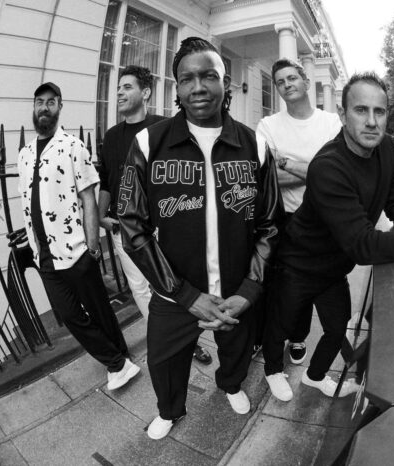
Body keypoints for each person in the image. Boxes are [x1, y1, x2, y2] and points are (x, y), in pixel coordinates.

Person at [261, 72, 394, 401]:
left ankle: (314, 377)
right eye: (361, 110)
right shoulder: (328, 166)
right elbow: (364, 245)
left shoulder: (386, 148)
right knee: (281, 326)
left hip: (334, 269)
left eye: (380, 111)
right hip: (297, 265)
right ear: (343, 115)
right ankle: (273, 370)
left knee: (337, 328)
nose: (372, 121)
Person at [116, 37, 280, 440]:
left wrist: (251, 288)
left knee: (236, 349)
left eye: (208, 76)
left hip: (237, 287)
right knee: (164, 360)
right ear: (177, 88)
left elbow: (270, 225)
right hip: (175, 291)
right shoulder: (149, 143)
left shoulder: (255, 145)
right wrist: (184, 294)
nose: (198, 87)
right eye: (187, 79)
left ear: (225, 82)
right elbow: (131, 225)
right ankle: (170, 410)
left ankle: (230, 384)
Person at [17, 82, 140, 392]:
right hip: (44, 255)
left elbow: (88, 199)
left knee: (100, 310)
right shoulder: (24, 154)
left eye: (51, 102)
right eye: (39, 102)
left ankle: (121, 359)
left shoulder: (73, 146)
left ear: (60, 107)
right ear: (34, 107)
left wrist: (92, 246)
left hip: (75, 249)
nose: (44, 107)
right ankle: (118, 363)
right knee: (71, 315)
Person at [98, 66, 212, 365]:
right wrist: (99, 217)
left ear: (145, 92)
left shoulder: (162, 129)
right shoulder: (112, 136)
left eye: (127, 87)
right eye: (118, 88)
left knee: (173, 282)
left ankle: (189, 338)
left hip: (162, 224)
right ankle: (167, 338)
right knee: (139, 287)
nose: (119, 92)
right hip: (123, 227)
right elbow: (106, 180)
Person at [255, 57, 342, 364]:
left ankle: (301, 335)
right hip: (289, 220)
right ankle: (293, 336)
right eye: (280, 81)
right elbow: (267, 179)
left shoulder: (330, 123)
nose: (286, 84)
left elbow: (339, 173)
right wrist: (317, 169)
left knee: (326, 284)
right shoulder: (268, 126)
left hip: (327, 220)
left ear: (306, 82)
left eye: (292, 78)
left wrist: (286, 163)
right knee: (289, 287)